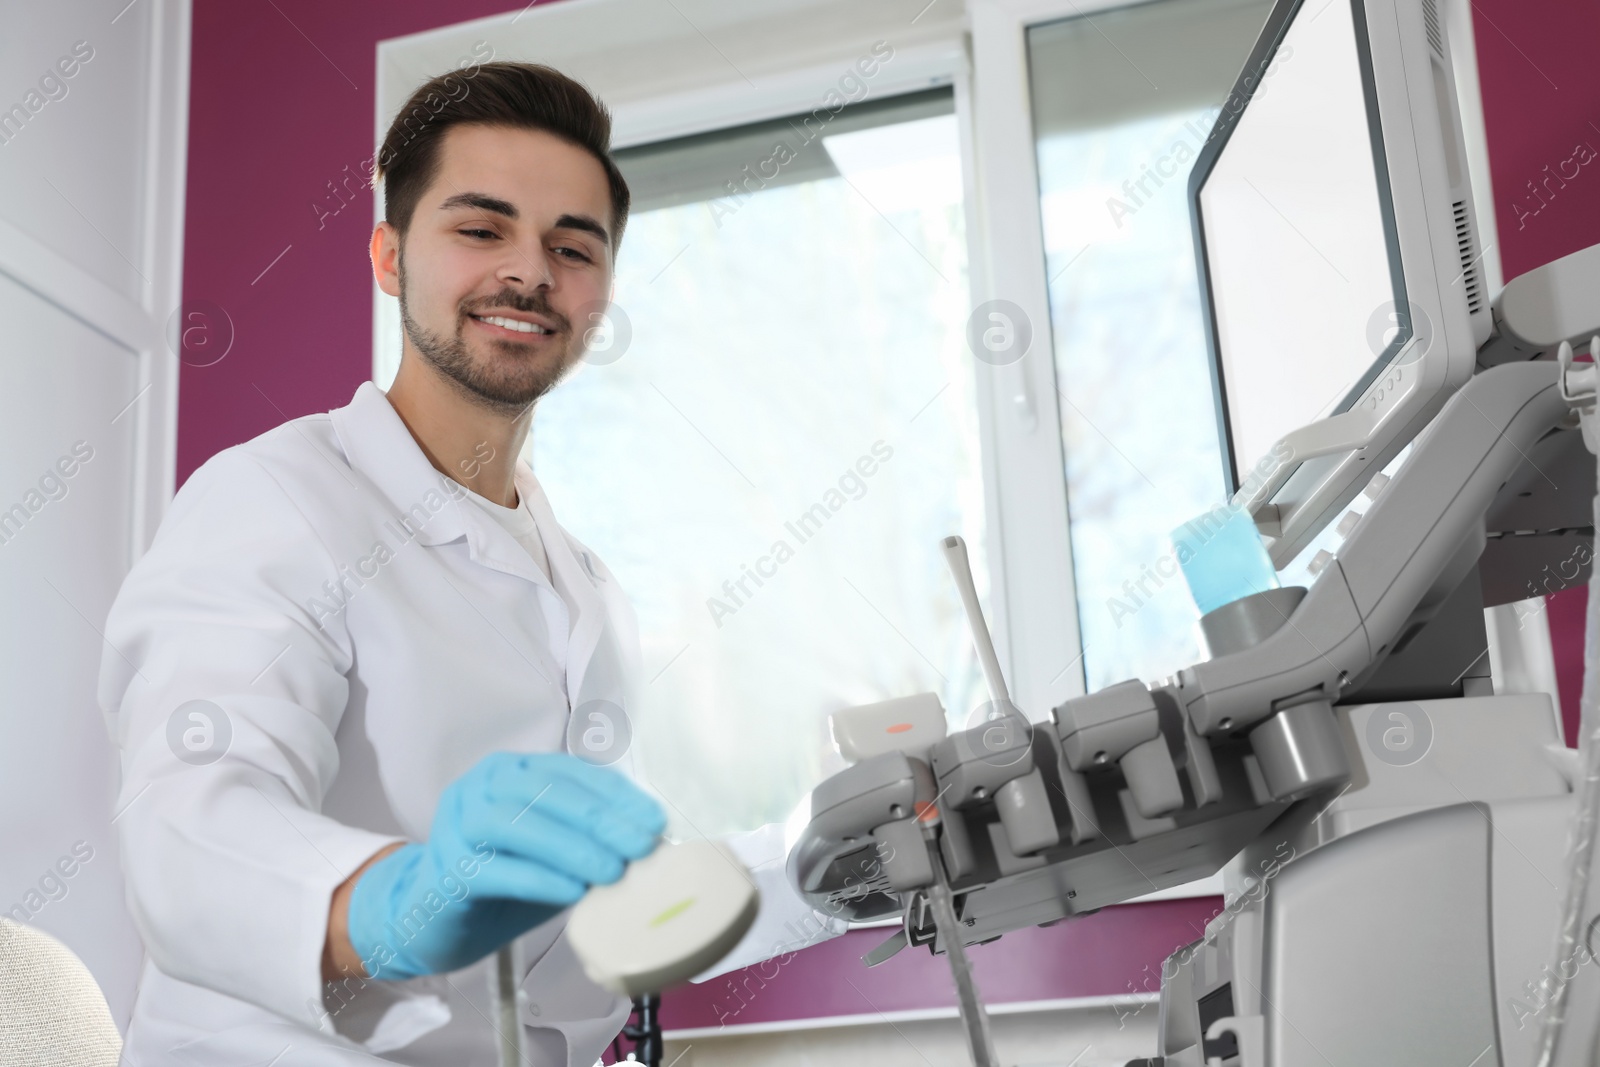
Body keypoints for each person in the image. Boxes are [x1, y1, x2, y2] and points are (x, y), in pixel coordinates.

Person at [97, 62, 837, 1066]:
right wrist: (398, 899)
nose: (528, 273)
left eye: (571, 246)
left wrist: (828, 860)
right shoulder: (273, 501)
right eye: (481, 229)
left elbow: (600, 914)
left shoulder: (584, 583)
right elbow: (188, 833)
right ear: (390, 257)